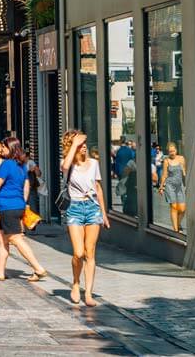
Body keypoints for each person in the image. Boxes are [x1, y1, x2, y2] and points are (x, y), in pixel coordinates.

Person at [0, 136, 47, 283]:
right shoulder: (22, 165)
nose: (2, 149)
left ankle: (38, 268)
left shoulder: (6, 164)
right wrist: (24, 202)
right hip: (16, 205)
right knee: (3, 239)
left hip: (8, 208)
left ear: (11, 149)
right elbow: (26, 185)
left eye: (4, 147)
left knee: (16, 238)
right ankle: (0, 272)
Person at [61, 130, 110, 306]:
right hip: (74, 208)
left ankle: (88, 293)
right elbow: (65, 167)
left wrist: (104, 213)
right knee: (78, 253)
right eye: (80, 145)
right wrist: (75, 143)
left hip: (92, 208)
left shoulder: (94, 163)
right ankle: (75, 283)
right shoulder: (68, 165)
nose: (83, 148)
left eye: (84, 145)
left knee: (90, 253)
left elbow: (98, 188)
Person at [159, 142, 188, 233]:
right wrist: (161, 187)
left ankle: (178, 223)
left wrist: (187, 183)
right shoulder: (166, 161)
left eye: (173, 151)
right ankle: (175, 230)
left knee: (183, 209)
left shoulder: (181, 158)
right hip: (170, 185)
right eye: (170, 151)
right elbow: (164, 175)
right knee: (174, 207)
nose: (172, 153)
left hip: (179, 186)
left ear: (176, 150)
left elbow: (184, 172)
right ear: (168, 151)